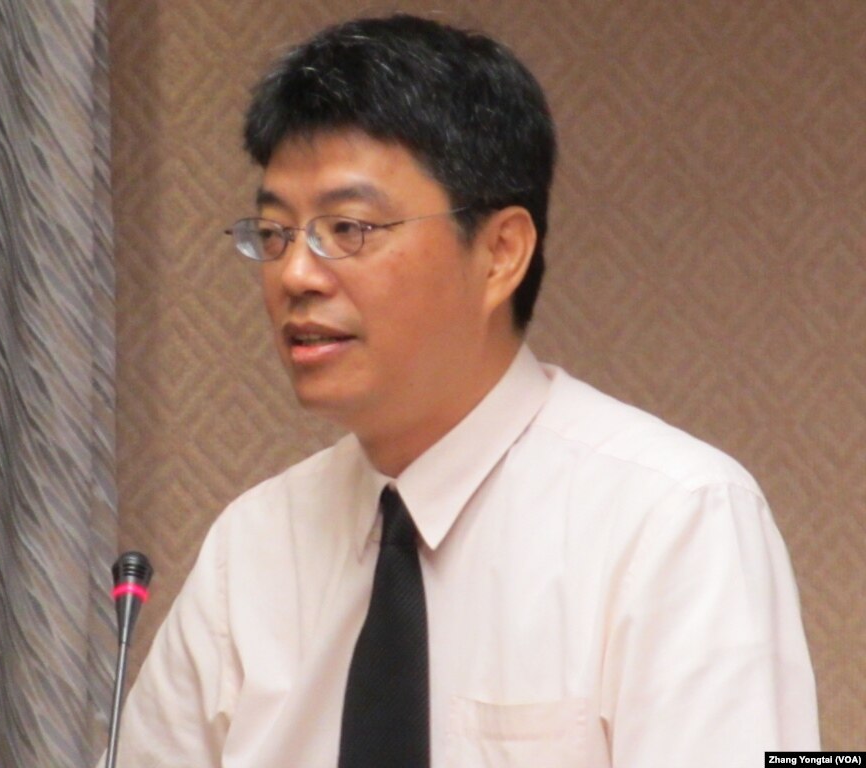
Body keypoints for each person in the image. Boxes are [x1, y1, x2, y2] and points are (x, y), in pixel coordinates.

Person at [109, 13, 818, 768]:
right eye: (275, 232)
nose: (296, 275)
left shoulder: (673, 521)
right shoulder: (252, 549)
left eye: (348, 229)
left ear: (501, 253)